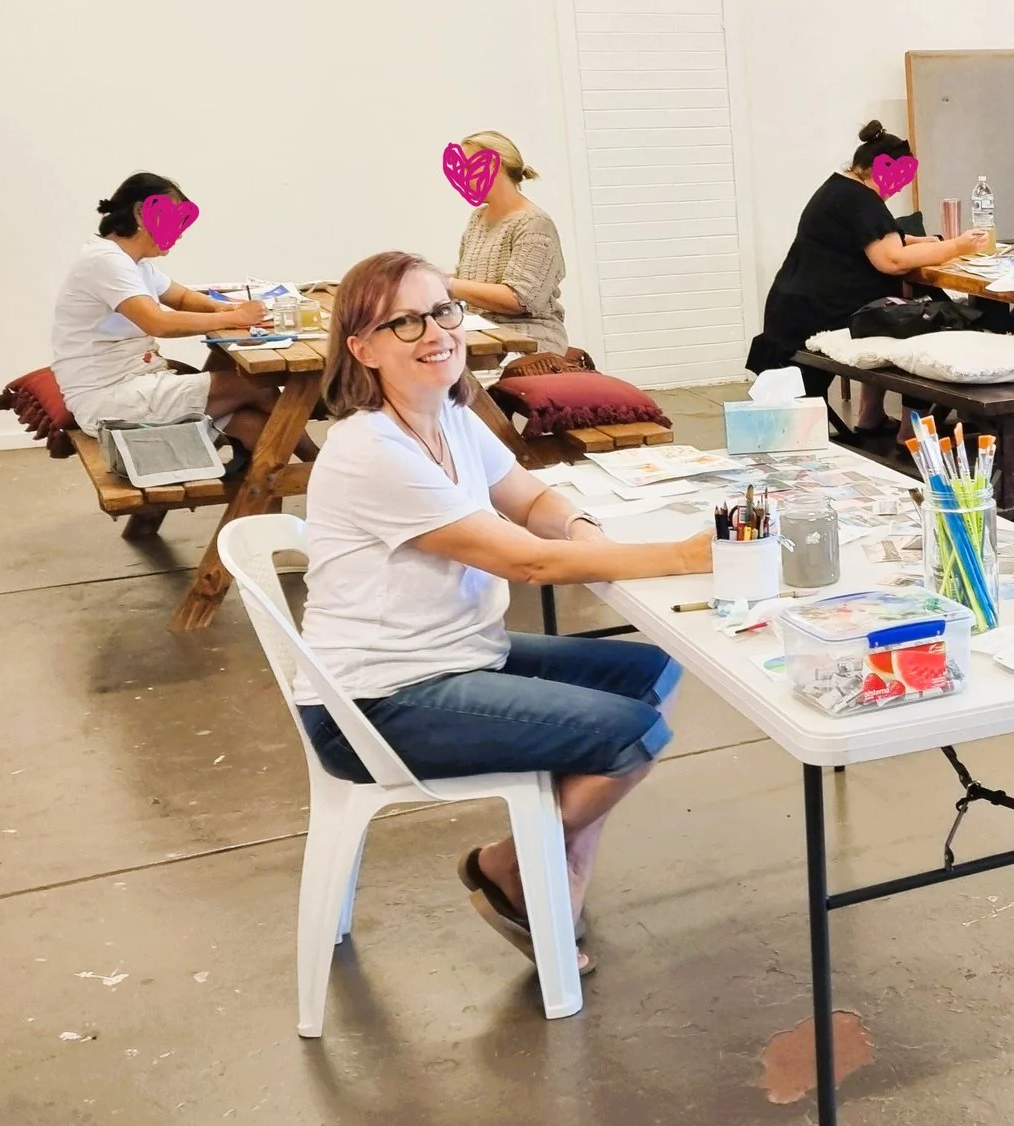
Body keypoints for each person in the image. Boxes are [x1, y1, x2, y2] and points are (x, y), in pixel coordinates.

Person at [293, 250, 712, 973]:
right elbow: (526, 561)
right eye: (406, 322)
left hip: (456, 652)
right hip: (377, 700)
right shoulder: (373, 451)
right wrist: (679, 555)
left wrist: (587, 532)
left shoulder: (450, 415)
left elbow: (530, 500)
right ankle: (512, 866)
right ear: (362, 349)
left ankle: (555, 874)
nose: (436, 333)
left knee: (645, 669)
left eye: (443, 311)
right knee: (632, 733)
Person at [746, 120, 985, 432]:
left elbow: (873, 239)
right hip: (817, 316)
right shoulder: (860, 199)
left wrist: (919, 241)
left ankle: (871, 417)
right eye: (897, 177)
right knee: (929, 323)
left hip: (795, 308)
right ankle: (913, 432)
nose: (899, 186)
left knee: (895, 312)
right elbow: (892, 260)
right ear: (874, 169)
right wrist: (958, 245)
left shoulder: (840, 187)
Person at [51, 172, 282, 447]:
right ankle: (320, 466)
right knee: (258, 385)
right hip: (110, 400)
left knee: (251, 425)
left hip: (134, 385)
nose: (180, 232)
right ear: (141, 214)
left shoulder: (133, 262)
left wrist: (222, 309)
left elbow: (182, 297)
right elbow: (158, 323)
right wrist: (235, 318)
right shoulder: (106, 262)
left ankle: (297, 476)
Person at [447, 131, 572, 353]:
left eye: (467, 168)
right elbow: (464, 283)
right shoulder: (478, 218)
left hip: (529, 339)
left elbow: (520, 300)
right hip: (484, 332)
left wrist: (448, 284)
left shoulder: (534, 223)